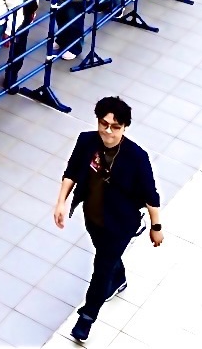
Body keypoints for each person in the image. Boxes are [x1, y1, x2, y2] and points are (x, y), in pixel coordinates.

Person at [53, 95, 163, 344]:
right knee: (106, 255)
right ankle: (119, 276)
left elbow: (151, 195)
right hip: (92, 216)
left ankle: (87, 317)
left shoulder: (137, 157)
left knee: (101, 268)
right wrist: (61, 201)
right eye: (104, 124)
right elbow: (71, 171)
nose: (108, 131)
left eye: (115, 127)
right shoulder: (86, 141)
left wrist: (156, 227)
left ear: (124, 128)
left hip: (121, 223)